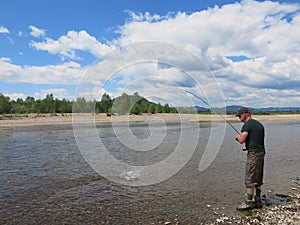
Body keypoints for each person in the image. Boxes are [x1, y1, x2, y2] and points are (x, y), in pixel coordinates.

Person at [235, 107, 266, 211]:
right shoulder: (259, 125)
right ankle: (257, 199)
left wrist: (237, 137)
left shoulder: (247, 125)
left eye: (240, 116)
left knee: (250, 177)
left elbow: (241, 140)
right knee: (258, 175)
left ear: (246, 114)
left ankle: (248, 202)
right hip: (261, 153)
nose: (239, 118)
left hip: (253, 154)